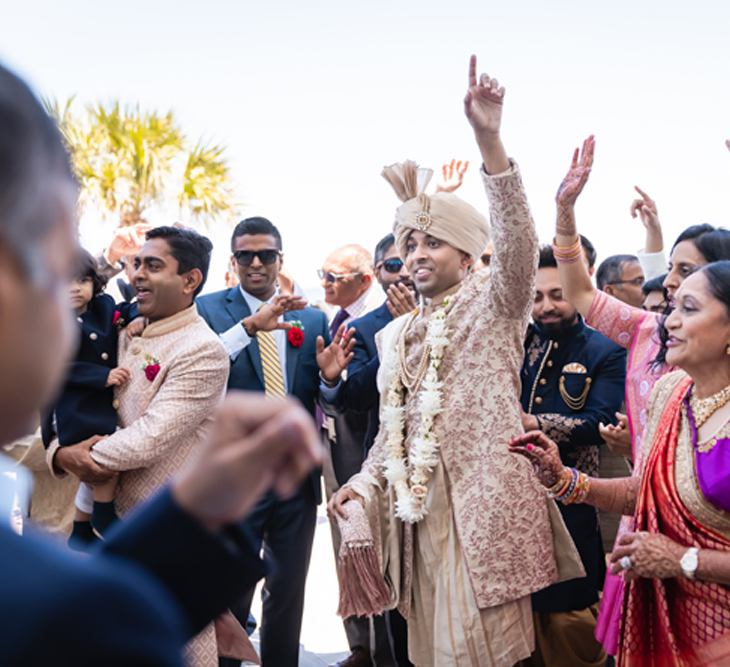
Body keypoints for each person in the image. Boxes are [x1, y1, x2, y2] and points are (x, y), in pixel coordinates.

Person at [0, 25, 321, 666]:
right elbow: (64, 622)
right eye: (60, 268)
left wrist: (184, 516)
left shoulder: (193, 345)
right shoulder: (44, 613)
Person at [326, 56, 581, 667]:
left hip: (482, 518)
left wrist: (489, 140)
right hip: (419, 525)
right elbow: (391, 436)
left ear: (469, 258)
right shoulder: (395, 336)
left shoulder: (494, 306)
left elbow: (520, 243)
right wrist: (360, 489)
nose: (416, 254)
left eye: (432, 241)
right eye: (408, 243)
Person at [511, 260, 730, 666]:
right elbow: (647, 491)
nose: (668, 322)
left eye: (689, 308)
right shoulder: (673, 391)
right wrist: (568, 481)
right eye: (673, 307)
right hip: (683, 632)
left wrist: (682, 559)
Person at [551, 135, 730, 656]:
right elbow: (578, 291)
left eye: (687, 271)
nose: (669, 282)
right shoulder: (646, 330)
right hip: (641, 513)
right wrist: (565, 212)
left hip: (716, 528)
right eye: (674, 270)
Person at [49, 225, 240, 665]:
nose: (138, 275)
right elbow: (68, 395)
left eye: (153, 266)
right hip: (102, 539)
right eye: (137, 263)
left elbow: (148, 439)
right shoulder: (124, 332)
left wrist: (82, 456)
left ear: (190, 281)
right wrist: (59, 451)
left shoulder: (201, 349)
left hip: (165, 534)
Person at [195, 216, 329, 667]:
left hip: (296, 478)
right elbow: (202, 369)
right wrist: (250, 326)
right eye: (245, 255)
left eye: (266, 254)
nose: (256, 263)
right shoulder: (208, 310)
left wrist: (330, 380)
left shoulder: (312, 318)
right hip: (236, 476)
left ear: (280, 259)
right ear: (233, 261)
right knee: (232, 591)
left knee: (288, 592)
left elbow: (322, 393)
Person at [518, 245, 627, 667]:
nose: (546, 306)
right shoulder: (515, 343)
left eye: (557, 294)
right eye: (537, 296)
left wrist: (533, 423)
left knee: (570, 623)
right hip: (510, 505)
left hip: (571, 505)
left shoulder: (604, 350)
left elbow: (599, 422)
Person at [317, 232, 416, 667]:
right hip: (388, 473)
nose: (407, 272)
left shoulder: (464, 316)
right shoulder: (365, 327)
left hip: (452, 478)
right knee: (393, 581)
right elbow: (353, 397)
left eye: (415, 260)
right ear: (378, 274)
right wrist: (405, 332)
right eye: (395, 265)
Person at [40, 248, 135, 549]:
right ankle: (102, 514)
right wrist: (99, 376)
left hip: (102, 403)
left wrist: (135, 319)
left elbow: (126, 309)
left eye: (82, 280)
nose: (74, 288)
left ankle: (81, 525)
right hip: (76, 406)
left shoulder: (104, 306)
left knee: (96, 462)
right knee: (105, 452)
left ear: (95, 283)